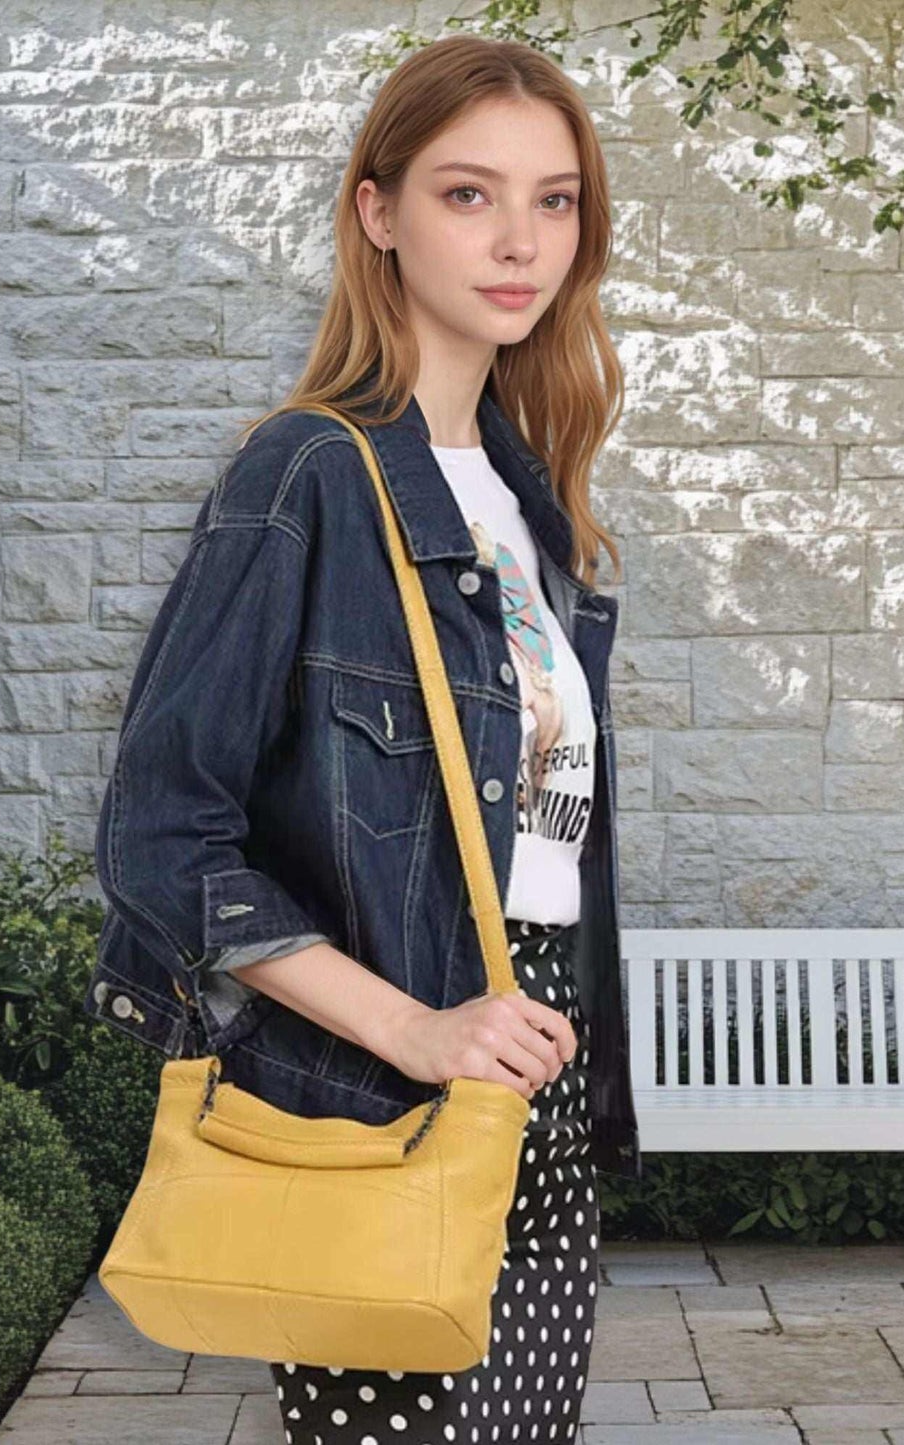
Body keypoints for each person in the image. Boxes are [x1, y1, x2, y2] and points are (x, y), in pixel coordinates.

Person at [84, 31, 641, 1445]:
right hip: (387, 1078)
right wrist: (417, 1026)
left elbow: (543, 850)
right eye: (468, 194)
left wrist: (529, 1048)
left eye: (554, 199)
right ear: (376, 212)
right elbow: (161, 835)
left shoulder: (533, 505)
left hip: (535, 1069)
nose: (520, 239)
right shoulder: (309, 477)